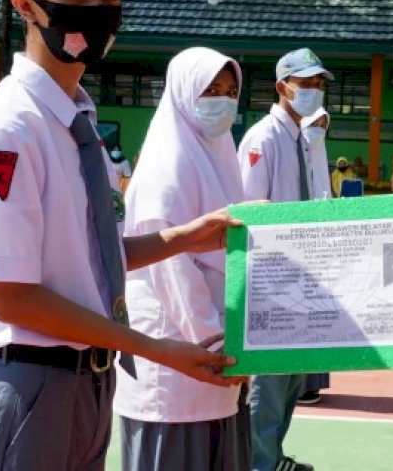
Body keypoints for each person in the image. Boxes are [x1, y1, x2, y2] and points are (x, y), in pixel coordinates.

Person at [0, 0, 237, 470]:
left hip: (87, 387)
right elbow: (15, 295)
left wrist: (185, 237)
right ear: (26, 4)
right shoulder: (9, 129)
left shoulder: (78, 122)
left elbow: (92, 260)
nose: (97, 9)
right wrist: (154, 349)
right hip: (33, 386)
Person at [113, 47, 250, 470]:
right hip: (180, 365)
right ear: (183, 94)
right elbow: (172, 272)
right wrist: (217, 347)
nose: (223, 101)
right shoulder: (167, 165)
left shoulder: (219, 154)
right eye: (211, 90)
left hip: (215, 360)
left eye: (230, 91)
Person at [238, 47, 333, 471]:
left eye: (318, 84)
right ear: (282, 87)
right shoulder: (263, 138)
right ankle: (258, 462)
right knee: (270, 383)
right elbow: (248, 209)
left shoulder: (305, 138)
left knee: (293, 377)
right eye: (305, 84)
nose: (313, 91)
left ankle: (272, 456)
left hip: (305, 276)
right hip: (272, 279)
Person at [298, 106, 332, 405]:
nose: (319, 128)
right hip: (300, 250)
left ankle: (312, 384)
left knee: (319, 317)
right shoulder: (296, 152)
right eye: (315, 123)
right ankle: (300, 384)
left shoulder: (319, 156)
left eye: (323, 123)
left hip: (322, 249)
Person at [300, 107, 332, 199]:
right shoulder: (292, 154)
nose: (318, 130)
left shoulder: (321, 151)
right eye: (314, 124)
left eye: (322, 126)